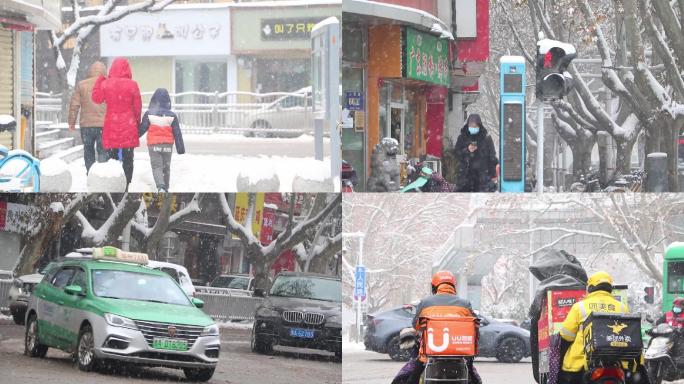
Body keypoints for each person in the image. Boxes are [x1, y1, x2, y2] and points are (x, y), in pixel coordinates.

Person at [393, 271, 481, 384]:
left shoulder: (425, 303)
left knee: (414, 371)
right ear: (453, 286)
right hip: (459, 352)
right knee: (473, 376)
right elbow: (473, 327)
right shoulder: (465, 304)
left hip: (431, 351)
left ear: (434, 286)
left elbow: (416, 325)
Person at [558, 271, 631, 383]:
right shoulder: (622, 308)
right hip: (617, 362)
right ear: (610, 288)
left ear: (591, 288)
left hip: (581, 363)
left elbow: (566, 335)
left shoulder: (580, 307)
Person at [92, 57, 142, 189]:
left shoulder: (106, 84)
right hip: (129, 125)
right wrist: (136, 124)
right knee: (128, 158)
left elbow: (96, 98)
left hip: (111, 125)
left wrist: (99, 81)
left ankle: (114, 185)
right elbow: (137, 108)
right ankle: (126, 184)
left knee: (112, 159)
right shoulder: (133, 85)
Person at [138, 88, 185, 192]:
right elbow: (177, 133)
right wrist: (180, 148)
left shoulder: (149, 114)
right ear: (168, 101)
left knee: (156, 166)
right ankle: (165, 188)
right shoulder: (172, 115)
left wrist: (132, 137)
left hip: (153, 145)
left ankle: (161, 187)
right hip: (167, 145)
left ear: (154, 100)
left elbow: (142, 129)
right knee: (166, 168)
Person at [68, 61, 108, 173]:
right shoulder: (108, 84)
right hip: (104, 126)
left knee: (88, 150)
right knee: (103, 151)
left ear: (90, 71)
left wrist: (71, 122)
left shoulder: (82, 85)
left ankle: (90, 173)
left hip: (86, 126)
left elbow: (74, 105)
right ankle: (102, 174)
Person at [454, 114, 499, 192]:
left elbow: (492, 157)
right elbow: (456, 153)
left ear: (479, 125)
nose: (473, 128)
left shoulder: (486, 138)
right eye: (471, 126)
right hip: (465, 175)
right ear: (467, 125)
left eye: (475, 126)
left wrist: (493, 174)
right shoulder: (462, 137)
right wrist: (467, 150)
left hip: (483, 176)